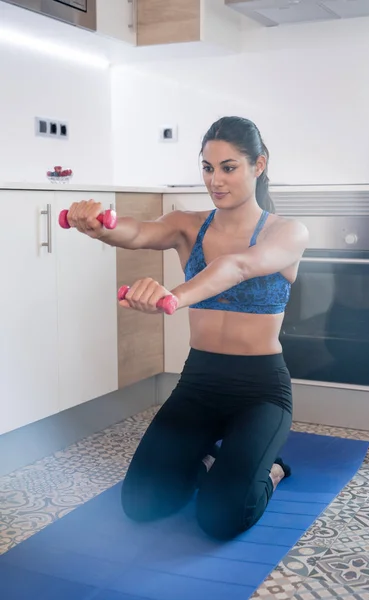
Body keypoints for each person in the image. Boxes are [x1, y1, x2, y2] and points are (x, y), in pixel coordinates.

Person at [65, 116, 309, 540]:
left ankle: (272, 470)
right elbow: (138, 232)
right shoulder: (187, 224)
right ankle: (213, 462)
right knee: (141, 502)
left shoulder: (286, 232)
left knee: (221, 518)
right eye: (207, 167)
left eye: (228, 167)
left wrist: (173, 297)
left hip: (261, 391)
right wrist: (99, 224)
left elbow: (237, 266)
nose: (215, 180)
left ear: (258, 165)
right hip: (199, 383)